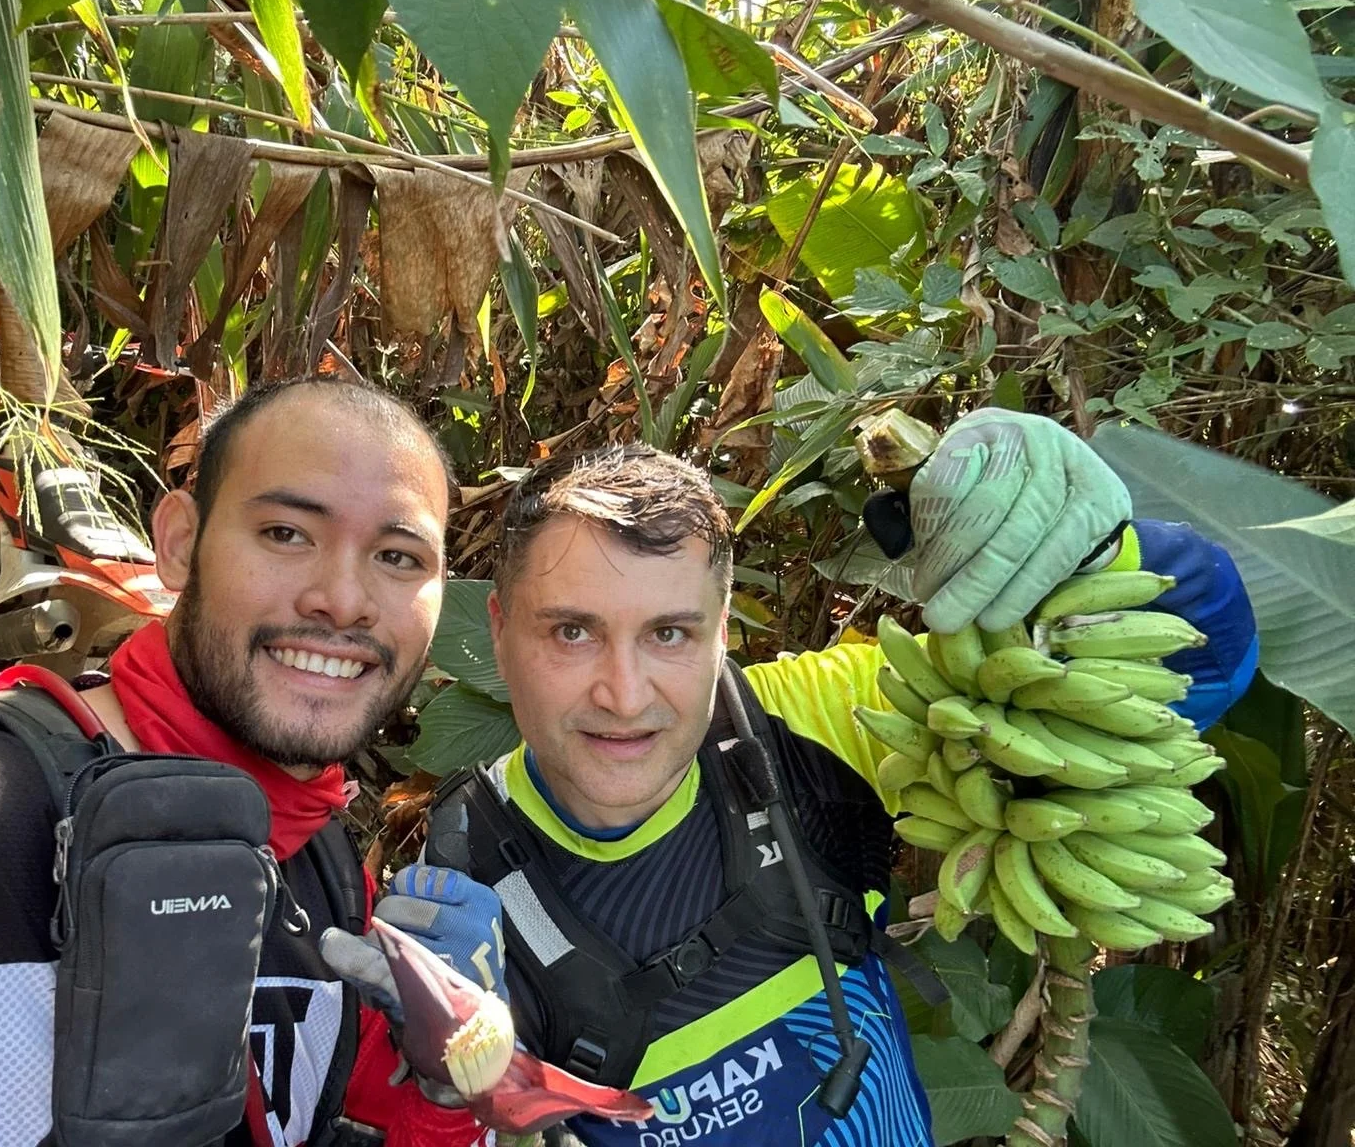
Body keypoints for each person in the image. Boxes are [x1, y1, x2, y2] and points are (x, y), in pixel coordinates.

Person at [412, 408, 1259, 1146]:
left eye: (670, 634)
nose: (623, 695)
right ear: (496, 629)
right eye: (571, 632)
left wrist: (1103, 547)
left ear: (722, 631)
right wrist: (451, 1075)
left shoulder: (797, 734)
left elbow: (1193, 671)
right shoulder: (461, 884)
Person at [0, 377, 502, 1147]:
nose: (343, 600)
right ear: (179, 543)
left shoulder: (332, 875)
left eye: (397, 556)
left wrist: (448, 1091)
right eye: (286, 532)